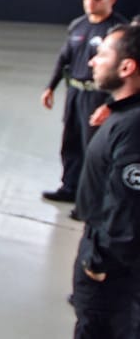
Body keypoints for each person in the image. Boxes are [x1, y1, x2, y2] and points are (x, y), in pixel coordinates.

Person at [70, 24, 140, 339]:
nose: (92, 61)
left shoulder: (132, 129)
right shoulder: (125, 114)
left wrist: (98, 261)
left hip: (111, 274)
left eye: (102, 55)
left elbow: (127, 205)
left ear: (126, 67)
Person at [41, 0, 126, 205]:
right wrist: (51, 86)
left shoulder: (118, 32)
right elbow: (64, 57)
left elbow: (123, 73)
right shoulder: (78, 25)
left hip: (99, 95)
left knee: (94, 149)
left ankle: (89, 200)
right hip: (75, 92)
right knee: (71, 142)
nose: (90, 2)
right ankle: (69, 187)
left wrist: (111, 104)